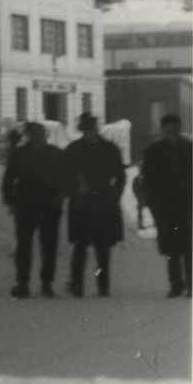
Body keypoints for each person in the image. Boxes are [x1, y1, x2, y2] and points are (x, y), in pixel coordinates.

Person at [63, 113, 126, 297]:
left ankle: (103, 286)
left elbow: (120, 177)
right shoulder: (73, 150)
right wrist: (74, 188)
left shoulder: (109, 149)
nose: (89, 133)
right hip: (81, 203)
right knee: (80, 247)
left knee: (102, 246)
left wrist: (114, 195)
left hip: (103, 203)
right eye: (86, 130)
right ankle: (77, 285)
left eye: (90, 129)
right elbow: (64, 176)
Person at [2, 122, 67, 298]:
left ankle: (46, 283)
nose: (38, 137)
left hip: (49, 206)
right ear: (29, 136)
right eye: (34, 134)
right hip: (26, 205)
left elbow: (66, 177)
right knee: (24, 246)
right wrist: (11, 201)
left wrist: (61, 196)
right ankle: (23, 283)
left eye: (40, 133)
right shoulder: (20, 154)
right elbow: (8, 178)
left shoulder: (55, 153)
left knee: (49, 246)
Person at [141, 114, 193, 298]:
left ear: (179, 129)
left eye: (175, 130)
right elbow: (148, 182)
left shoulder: (191, 149)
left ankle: (192, 285)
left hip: (188, 208)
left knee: (189, 248)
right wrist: (154, 206)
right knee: (171, 249)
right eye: (168, 130)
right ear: (163, 131)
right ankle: (176, 284)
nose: (172, 133)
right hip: (165, 209)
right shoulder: (153, 152)